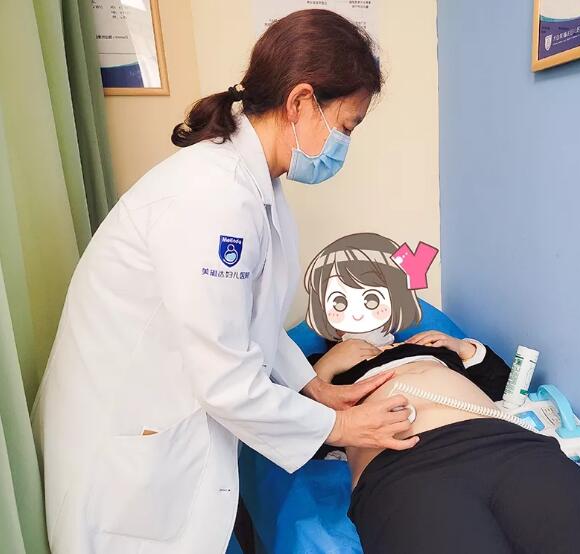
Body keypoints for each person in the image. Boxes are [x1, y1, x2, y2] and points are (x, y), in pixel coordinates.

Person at [31, 10, 417, 554]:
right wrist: (341, 429)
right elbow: (225, 378)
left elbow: (249, 321)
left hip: (158, 433)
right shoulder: (213, 198)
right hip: (125, 454)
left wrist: (314, 389)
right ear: (302, 102)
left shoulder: (256, 188)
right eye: (346, 126)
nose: (343, 144)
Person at [303, 234, 580, 554]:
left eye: (371, 298)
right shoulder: (318, 371)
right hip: (403, 467)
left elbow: (504, 386)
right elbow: (296, 436)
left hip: (505, 443)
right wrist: (324, 369)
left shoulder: (426, 346)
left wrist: (462, 348)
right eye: (340, 301)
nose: (358, 312)